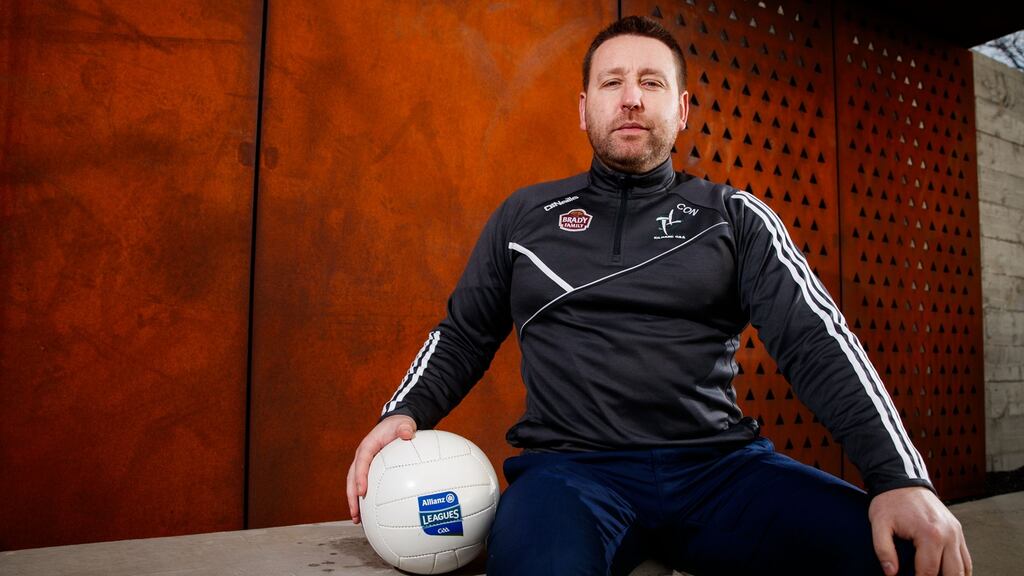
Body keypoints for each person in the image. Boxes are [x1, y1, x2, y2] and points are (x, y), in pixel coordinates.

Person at [346, 16, 971, 576]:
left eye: (652, 82)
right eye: (613, 82)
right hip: (572, 475)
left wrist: (900, 476)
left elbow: (815, 340)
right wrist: (403, 412)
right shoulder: (524, 217)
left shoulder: (735, 217)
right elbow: (462, 334)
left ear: (683, 107)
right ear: (584, 106)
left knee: (908, 557)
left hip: (721, 472)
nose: (632, 98)